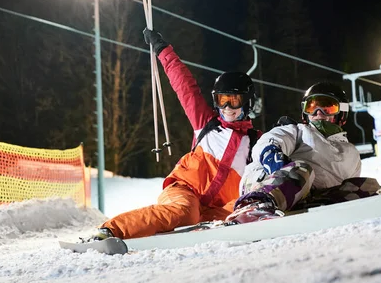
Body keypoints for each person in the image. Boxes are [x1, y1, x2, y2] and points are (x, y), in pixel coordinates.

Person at [85, 28, 262, 242]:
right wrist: (163, 50)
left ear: (248, 101)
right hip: (184, 191)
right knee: (184, 212)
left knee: (247, 206)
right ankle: (110, 231)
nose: (226, 107)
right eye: (222, 100)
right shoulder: (206, 124)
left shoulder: (256, 142)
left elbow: (278, 163)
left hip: (213, 211)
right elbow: (185, 86)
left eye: (233, 100)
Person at [225, 81, 381, 224]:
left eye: (328, 108)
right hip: (266, 182)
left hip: (306, 196)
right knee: (303, 169)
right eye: (312, 107)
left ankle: (321, 209)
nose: (319, 113)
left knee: (368, 185)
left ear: (342, 113)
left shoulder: (351, 153)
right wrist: (272, 156)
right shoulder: (298, 130)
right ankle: (254, 206)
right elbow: (271, 140)